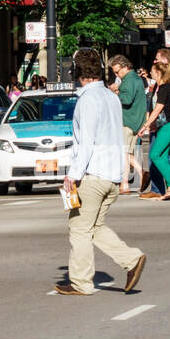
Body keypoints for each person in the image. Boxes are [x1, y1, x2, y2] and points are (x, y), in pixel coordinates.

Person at [55, 48, 147, 296]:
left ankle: (81, 282)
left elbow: (86, 141)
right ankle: (131, 259)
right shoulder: (110, 97)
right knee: (95, 226)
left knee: (80, 229)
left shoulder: (88, 100)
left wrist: (73, 174)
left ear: (77, 71)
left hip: (91, 174)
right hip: (111, 175)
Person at [139, 62, 170, 201]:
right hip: (164, 126)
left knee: (155, 154)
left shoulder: (164, 87)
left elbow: (158, 109)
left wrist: (145, 126)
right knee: (162, 156)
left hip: (169, 124)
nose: (150, 73)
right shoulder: (158, 87)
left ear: (158, 73)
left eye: (152, 70)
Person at [109, 56, 144, 195]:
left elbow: (126, 99)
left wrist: (114, 93)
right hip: (136, 121)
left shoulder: (128, 80)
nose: (116, 75)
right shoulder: (136, 78)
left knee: (124, 153)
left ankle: (125, 184)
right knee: (127, 153)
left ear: (125, 67)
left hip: (127, 120)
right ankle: (141, 175)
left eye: (117, 72)